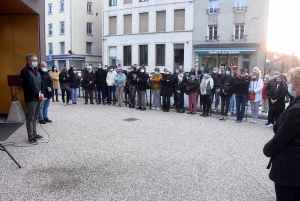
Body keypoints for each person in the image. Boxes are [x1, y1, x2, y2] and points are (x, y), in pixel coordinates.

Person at [263, 67, 300, 201]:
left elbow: (280, 139)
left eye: (291, 82)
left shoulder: (297, 111)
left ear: (298, 83)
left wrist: (267, 149)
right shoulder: (295, 103)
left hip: (290, 166)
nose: (290, 85)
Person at [20, 54, 45, 144]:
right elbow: (29, 85)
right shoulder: (25, 71)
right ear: (28, 61)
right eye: (34, 60)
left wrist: (42, 93)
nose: (36, 62)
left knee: (35, 117)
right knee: (30, 118)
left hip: (38, 97)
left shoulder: (36, 72)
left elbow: (39, 84)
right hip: (31, 98)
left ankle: (34, 134)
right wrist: (38, 94)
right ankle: (30, 137)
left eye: (36, 60)